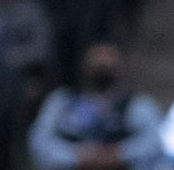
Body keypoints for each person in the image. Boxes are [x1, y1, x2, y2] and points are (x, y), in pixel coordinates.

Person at [28, 42, 163, 170]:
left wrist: (119, 153)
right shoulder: (62, 101)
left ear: (120, 66)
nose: (102, 63)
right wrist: (78, 156)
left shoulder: (138, 105)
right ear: (84, 65)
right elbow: (40, 141)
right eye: (96, 58)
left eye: (108, 57)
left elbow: (154, 142)